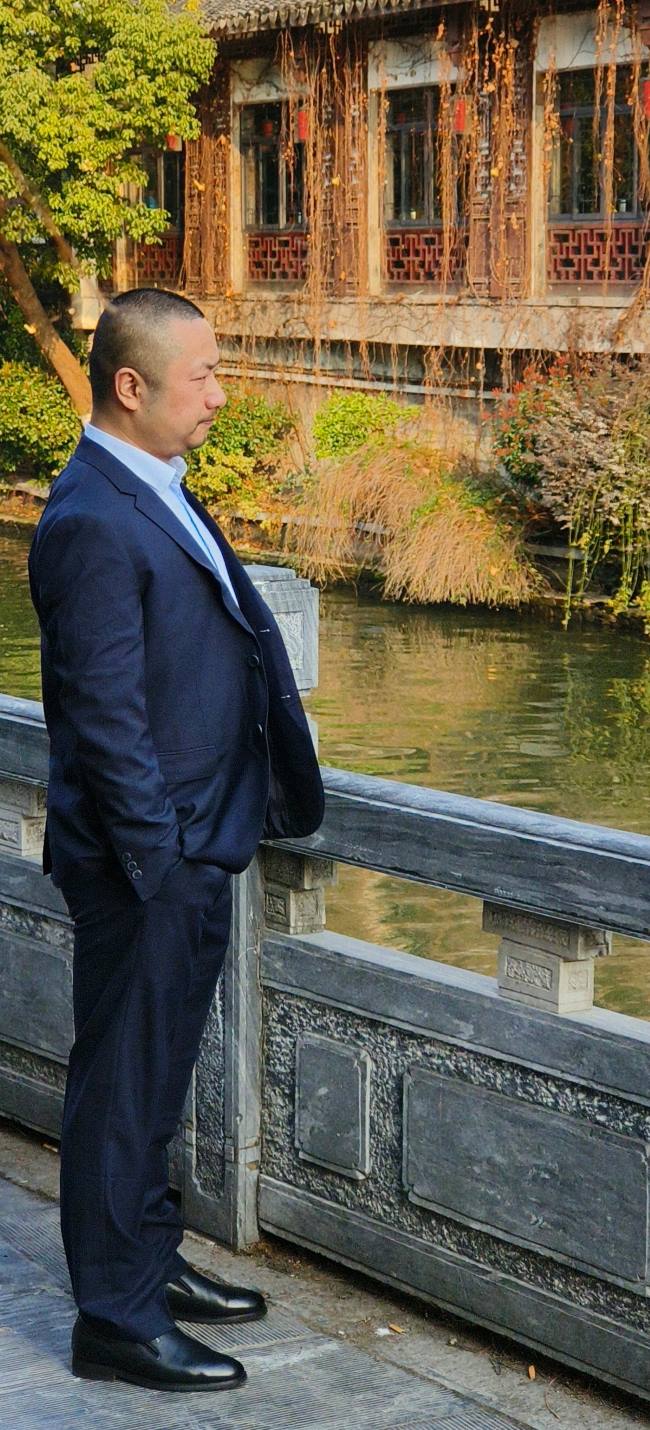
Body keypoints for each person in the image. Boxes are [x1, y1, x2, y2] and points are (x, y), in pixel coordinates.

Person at [27, 288, 324, 1393]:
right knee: (120, 1086)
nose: (219, 394)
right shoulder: (91, 517)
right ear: (130, 385)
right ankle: (115, 1316)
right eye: (202, 375)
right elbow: (103, 717)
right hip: (145, 859)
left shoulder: (151, 482)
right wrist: (161, 861)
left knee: (152, 1078)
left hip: (194, 839)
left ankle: (150, 1264)